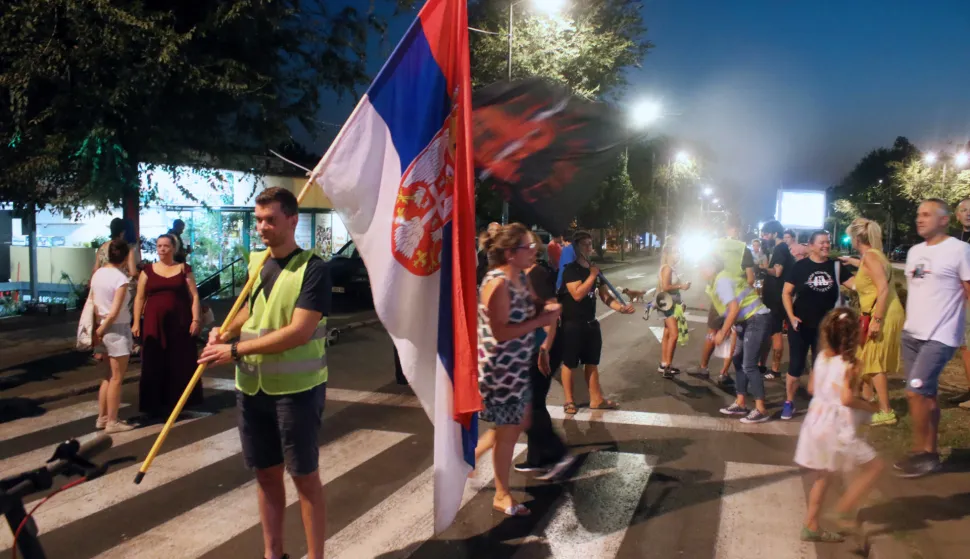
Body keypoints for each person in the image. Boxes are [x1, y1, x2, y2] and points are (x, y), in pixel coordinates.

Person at [199, 187, 331, 559]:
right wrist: (225, 331)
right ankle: (273, 554)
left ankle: (315, 555)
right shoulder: (258, 262)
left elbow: (299, 331)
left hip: (296, 391)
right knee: (265, 474)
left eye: (270, 219)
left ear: (292, 220)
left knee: (304, 477)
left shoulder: (314, 268)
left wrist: (234, 349)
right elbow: (250, 311)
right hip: (252, 388)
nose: (262, 228)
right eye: (258, 220)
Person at [473, 223, 561, 516]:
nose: (534, 249)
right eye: (528, 246)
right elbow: (500, 332)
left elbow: (528, 309)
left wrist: (544, 312)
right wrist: (539, 322)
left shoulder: (519, 277)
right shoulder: (496, 283)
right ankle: (501, 494)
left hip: (516, 367)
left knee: (516, 425)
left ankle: (469, 458)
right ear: (510, 253)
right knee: (510, 431)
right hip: (500, 370)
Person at [794, 308, 884, 543]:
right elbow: (845, 399)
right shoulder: (851, 364)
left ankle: (811, 524)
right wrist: (868, 406)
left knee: (824, 477)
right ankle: (844, 509)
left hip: (815, 422)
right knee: (875, 467)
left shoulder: (822, 356)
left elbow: (812, 388)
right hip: (837, 429)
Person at [895, 199, 970, 478]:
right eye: (918, 214)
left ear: (943, 220)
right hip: (912, 334)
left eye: (927, 214)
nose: (920, 219)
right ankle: (931, 451)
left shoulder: (960, 250)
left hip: (940, 336)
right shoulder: (914, 252)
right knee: (928, 396)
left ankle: (921, 453)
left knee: (915, 391)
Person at [515, 231, 577, 480]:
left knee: (531, 405)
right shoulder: (519, 276)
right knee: (531, 405)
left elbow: (552, 315)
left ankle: (559, 455)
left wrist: (544, 350)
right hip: (529, 346)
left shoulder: (537, 275)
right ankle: (537, 459)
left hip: (544, 347)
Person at [559, 230, 634, 414]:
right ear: (576, 247)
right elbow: (576, 294)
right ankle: (569, 401)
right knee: (570, 363)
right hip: (572, 324)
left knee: (591, 362)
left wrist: (621, 308)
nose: (588, 247)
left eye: (590, 244)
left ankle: (596, 398)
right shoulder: (571, 270)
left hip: (590, 324)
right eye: (584, 244)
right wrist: (592, 276)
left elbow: (605, 297)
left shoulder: (595, 271)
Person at [132, 234, 204, 420]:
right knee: (153, 361)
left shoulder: (183, 269)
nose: (162, 249)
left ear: (173, 248)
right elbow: (140, 297)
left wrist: (196, 319)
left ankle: (178, 403)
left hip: (179, 321)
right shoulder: (147, 270)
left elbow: (194, 296)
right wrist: (135, 322)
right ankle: (153, 404)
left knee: (179, 361)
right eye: (159, 245)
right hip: (153, 322)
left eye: (165, 246)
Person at [839, 218, 902, 426]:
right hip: (879, 312)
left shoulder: (871, 258)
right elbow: (870, 269)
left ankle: (886, 411)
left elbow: (882, 288)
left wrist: (876, 320)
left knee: (874, 362)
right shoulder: (872, 256)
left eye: (851, 237)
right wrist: (851, 261)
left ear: (857, 239)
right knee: (862, 357)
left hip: (881, 313)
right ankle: (870, 399)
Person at [782, 230, 851, 421]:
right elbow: (786, 293)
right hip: (801, 325)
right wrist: (791, 316)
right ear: (811, 246)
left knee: (821, 366)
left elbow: (858, 284)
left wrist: (860, 262)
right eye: (821, 242)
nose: (826, 246)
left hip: (827, 327)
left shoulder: (836, 267)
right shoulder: (799, 267)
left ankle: (818, 403)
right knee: (795, 366)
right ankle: (789, 402)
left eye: (828, 242)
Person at [702, 255, 772, 423]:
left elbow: (733, 309)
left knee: (749, 364)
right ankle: (740, 402)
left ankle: (761, 409)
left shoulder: (722, 281)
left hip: (755, 318)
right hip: (745, 321)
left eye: (703, 265)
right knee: (738, 360)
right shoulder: (715, 283)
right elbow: (726, 310)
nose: (700, 270)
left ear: (712, 267)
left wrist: (722, 332)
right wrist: (720, 331)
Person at [693, 218, 755, 383]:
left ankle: (704, 367)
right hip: (736, 298)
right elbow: (750, 279)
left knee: (711, 332)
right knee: (733, 334)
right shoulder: (744, 249)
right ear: (739, 229)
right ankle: (723, 373)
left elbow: (705, 267)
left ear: (726, 228)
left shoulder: (714, 245)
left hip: (719, 297)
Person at [89, 239, 137, 433]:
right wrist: (102, 331)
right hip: (116, 328)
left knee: (107, 376)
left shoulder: (97, 274)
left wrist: (97, 330)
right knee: (117, 377)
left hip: (100, 324)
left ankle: (102, 417)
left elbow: (92, 303)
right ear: (126, 257)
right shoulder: (120, 279)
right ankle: (112, 421)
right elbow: (115, 310)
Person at [759, 220, 793, 380]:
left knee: (775, 332)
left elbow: (777, 272)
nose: (765, 237)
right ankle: (764, 365)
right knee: (771, 331)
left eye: (766, 234)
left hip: (776, 298)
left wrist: (762, 268)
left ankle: (775, 369)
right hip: (776, 296)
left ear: (775, 234)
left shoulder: (780, 249)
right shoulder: (782, 249)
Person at [657, 236, 690, 378]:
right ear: (668, 254)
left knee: (667, 333)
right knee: (674, 334)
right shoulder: (667, 269)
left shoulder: (670, 268)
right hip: (667, 304)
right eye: (676, 252)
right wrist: (681, 286)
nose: (678, 255)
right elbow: (665, 287)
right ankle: (668, 367)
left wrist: (680, 302)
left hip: (670, 303)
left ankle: (664, 363)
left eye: (679, 252)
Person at [950, 198, 970, 407]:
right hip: (961, 300)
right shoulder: (958, 239)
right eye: (964, 210)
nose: (968, 213)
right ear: (957, 215)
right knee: (965, 347)